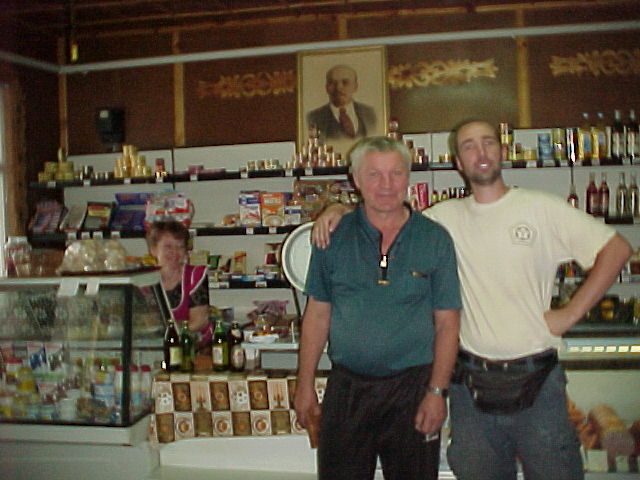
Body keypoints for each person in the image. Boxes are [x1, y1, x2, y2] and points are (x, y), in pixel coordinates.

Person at [312, 119, 633, 480]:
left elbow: (617, 249)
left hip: (537, 382)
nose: (480, 152)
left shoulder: (542, 208)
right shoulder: (442, 220)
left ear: (503, 151)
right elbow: (386, 212)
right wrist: (338, 210)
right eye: (468, 145)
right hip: (470, 389)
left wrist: (569, 314)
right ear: (458, 163)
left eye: (488, 142)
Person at [294, 136, 461, 480]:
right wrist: (304, 384)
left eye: (395, 173)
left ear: (408, 177)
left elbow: (448, 324)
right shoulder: (332, 237)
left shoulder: (434, 239)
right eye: (374, 174)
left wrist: (437, 392)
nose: (386, 185)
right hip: (347, 390)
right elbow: (317, 314)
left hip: (413, 389)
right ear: (356, 179)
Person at [146, 220, 211, 348]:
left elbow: (199, 322)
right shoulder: (144, 280)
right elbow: (144, 323)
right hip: (156, 348)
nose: (175, 252)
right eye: (168, 247)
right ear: (153, 249)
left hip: (195, 347)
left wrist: (163, 329)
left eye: (180, 246)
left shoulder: (195, 276)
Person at [306, 64, 377, 141]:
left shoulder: (370, 113)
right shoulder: (313, 118)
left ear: (355, 86)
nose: (338, 88)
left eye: (345, 82)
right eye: (333, 83)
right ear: (327, 87)